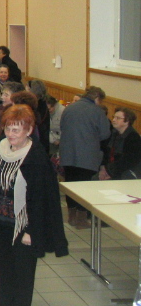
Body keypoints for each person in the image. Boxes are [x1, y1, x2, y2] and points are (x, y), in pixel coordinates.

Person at [0, 105, 68, 306]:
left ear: (29, 130)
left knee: (23, 279)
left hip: (23, 228)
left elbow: (42, 200)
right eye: (7, 128)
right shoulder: (1, 148)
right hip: (1, 224)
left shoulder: (36, 157)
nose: (10, 134)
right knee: (5, 274)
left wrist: (30, 230)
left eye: (16, 130)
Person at [59, 86, 111, 229]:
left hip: (68, 153)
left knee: (70, 184)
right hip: (87, 155)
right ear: (97, 99)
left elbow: (62, 126)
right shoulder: (97, 112)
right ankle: (81, 219)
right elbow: (105, 134)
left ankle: (71, 216)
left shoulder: (70, 108)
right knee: (84, 185)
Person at [99, 107, 141, 180]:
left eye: (118, 118)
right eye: (113, 117)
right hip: (112, 169)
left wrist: (109, 172)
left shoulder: (133, 137)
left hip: (126, 173)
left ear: (127, 121)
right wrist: (103, 168)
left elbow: (129, 160)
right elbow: (106, 153)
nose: (113, 120)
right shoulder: (114, 133)